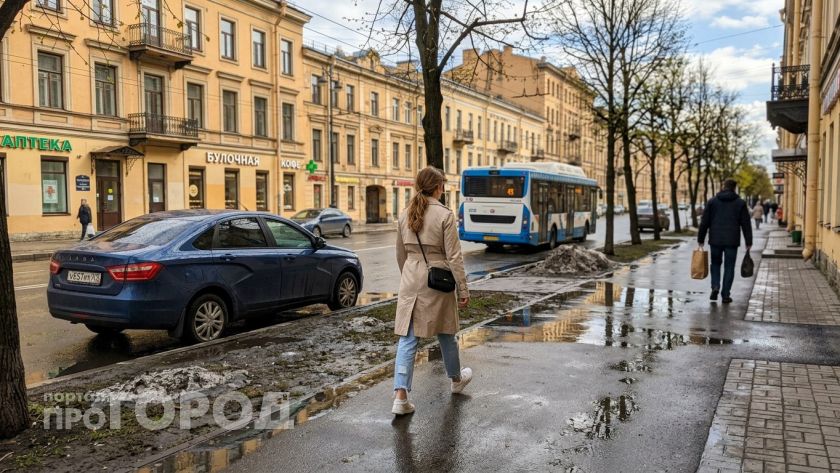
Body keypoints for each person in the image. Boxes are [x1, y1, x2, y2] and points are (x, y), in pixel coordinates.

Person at [391, 166, 472, 416]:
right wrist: (463, 289)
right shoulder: (445, 215)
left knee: (408, 337)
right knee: (446, 331)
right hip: (437, 279)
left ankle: (400, 397)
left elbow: (400, 255)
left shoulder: (405, 214)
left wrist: (411, 275)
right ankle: (456, 380)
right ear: (439, 187)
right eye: (443, 185)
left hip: (411, 278)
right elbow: (455, 257)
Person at [698, 179, 753, 304]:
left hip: (715, 240)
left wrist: (701, 239)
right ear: (734, 188)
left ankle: (715, 286)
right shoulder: (740, 203)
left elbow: (704, 222)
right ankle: (725, 294)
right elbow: (746, 224)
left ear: (724, 187)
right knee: (729, 267)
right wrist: (748, 241)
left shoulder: (712, 201)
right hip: (732, 241)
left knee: (715, 264)